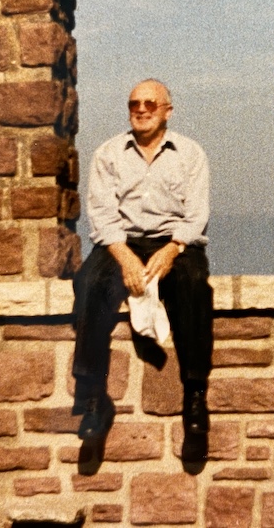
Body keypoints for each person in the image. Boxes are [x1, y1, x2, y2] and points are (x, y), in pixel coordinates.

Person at [73, 79, 213, 440]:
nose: (142, 109)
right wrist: (125, 258)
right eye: (135, 102)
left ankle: (195, 395)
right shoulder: (108, 154)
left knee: (193, 285)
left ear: (168, 110)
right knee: (89, 284)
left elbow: (196, 216)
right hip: (121, 242)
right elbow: (101, 214)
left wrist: (172, 250)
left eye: (151, 103)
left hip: (175, 243)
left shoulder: (191, 154)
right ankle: (91, 397)